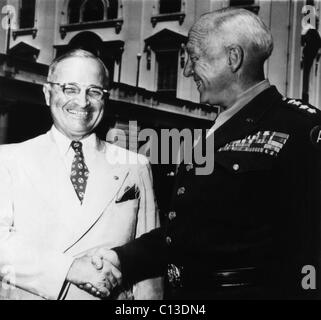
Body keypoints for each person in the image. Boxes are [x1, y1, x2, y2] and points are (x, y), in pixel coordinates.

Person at [95, 8, 321, 299]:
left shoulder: (303, 129)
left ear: (233, 58)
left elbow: (313, 250)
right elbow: (189, 232)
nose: (187, 70)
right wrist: (121, 259)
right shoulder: (213, 131)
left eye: (195, 57)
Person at [0, 49, 163, 300]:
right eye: (70, 88)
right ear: (47, 93)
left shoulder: (136, 166)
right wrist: (69, 269)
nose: (83, 102)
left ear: (105, 99)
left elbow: (150, 260)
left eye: (94, 92)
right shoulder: (8, 159)